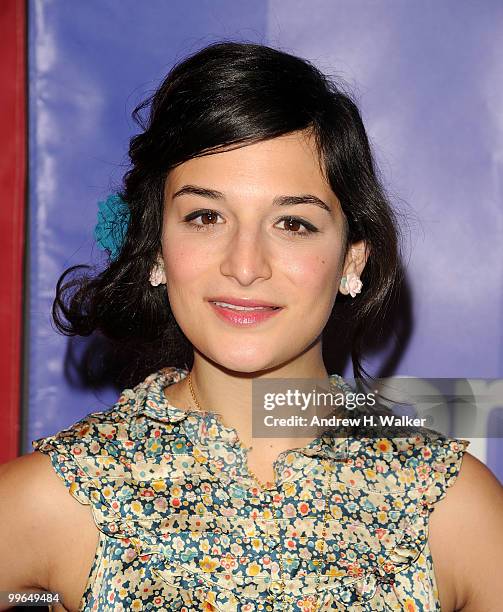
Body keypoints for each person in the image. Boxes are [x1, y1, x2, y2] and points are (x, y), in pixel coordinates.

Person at [1, 41, 502, 612]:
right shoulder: (58, 498)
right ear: (157, 250)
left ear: (352, 262)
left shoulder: (451, 508)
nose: (245, 266)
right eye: (205, 216)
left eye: (293, 223)